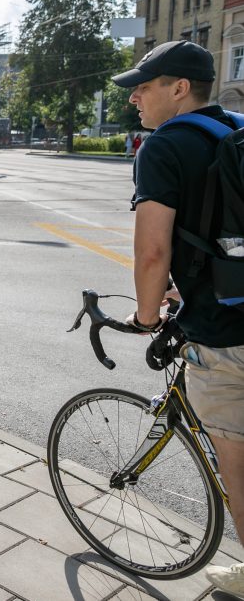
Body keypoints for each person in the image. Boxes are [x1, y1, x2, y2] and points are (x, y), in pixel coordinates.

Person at [112, 40, 244, 595]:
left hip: (224, 330)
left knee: (237, 459)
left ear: (179, 88)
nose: (135, 97)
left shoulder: (164, 147)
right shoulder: (237, 129)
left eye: (144, 85)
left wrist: (145, 316)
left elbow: (150, 253)